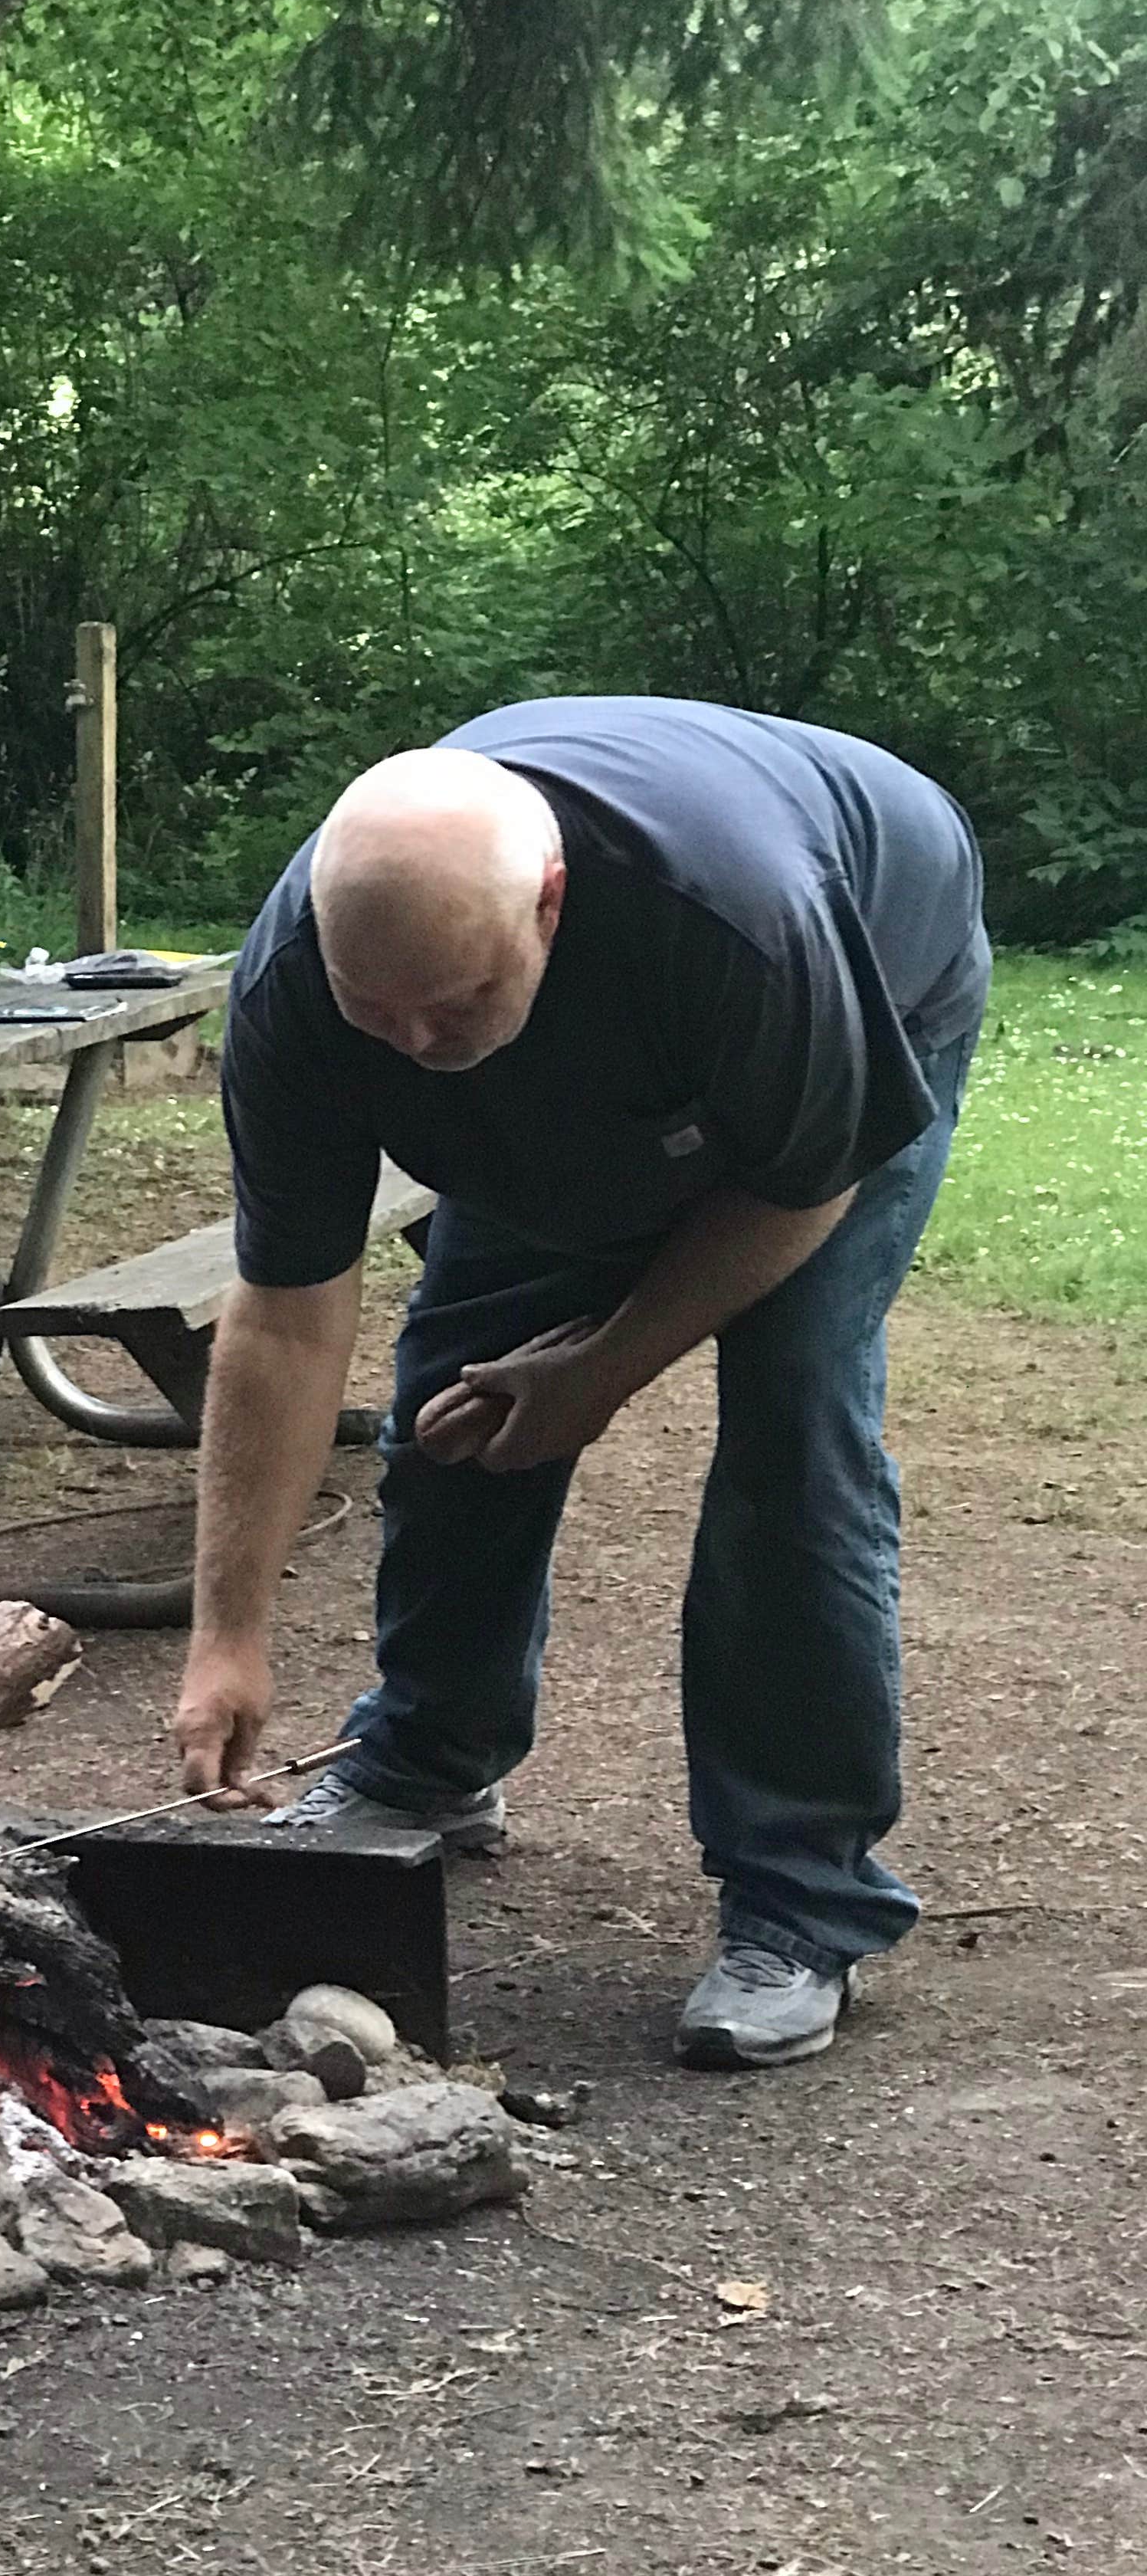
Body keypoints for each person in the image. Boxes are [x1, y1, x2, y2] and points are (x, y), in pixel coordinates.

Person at [171, 695, 988, 2069]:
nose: (420, 1044)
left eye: (456, 1004)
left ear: (549, 903)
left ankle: (805, 1896)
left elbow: (795, 1195)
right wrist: (226, 1633)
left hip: (859, 993)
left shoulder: (747, 922)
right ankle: (431, 1755)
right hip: (596, 1050)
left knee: (795, 1428)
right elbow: (289, 1319)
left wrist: (601, 1372)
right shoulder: (304, 994)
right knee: (458, 1390)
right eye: (385, 1017)